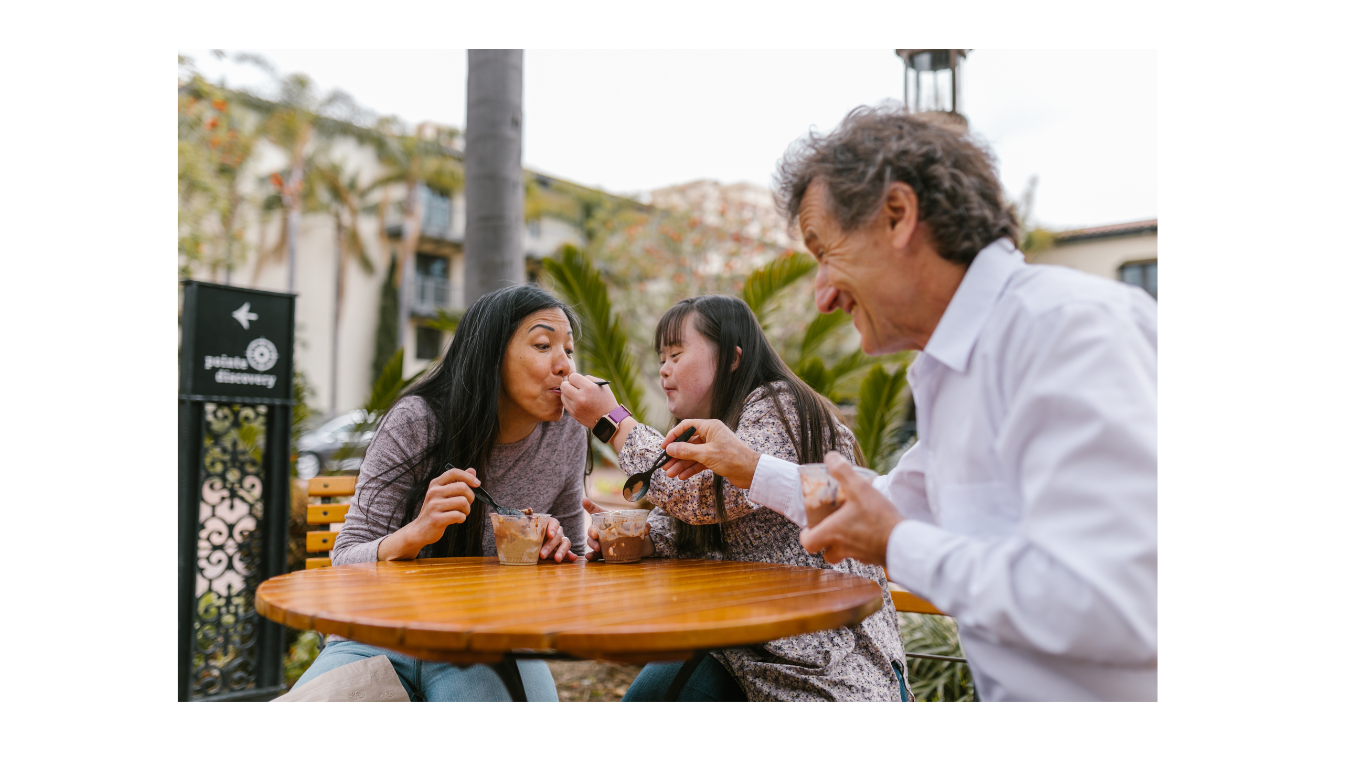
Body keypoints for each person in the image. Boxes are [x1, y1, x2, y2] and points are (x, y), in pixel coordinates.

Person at [656, 105, 1158, 701]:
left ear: (897, 215)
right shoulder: (960, 366)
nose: (822, 296)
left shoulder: (1067, 329)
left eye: (824, 252)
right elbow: (896, 500)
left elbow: (1114, 601)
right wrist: (747, 467)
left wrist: (896, 545)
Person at [559, 295, 908, 702]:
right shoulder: (713, 426)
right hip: (742, 653)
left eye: (676, 354)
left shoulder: (783, 408)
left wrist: (612, 422)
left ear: (731, 358)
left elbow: (707, 496)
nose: (664, 369)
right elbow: (690, 522)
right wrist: (637, 536)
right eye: (661, 358)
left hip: (829, 661)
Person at [293, 284, 586, 702]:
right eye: (543, 345)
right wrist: (415, 534)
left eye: (569, 351)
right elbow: (344, 560)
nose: (565, 366)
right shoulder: (417, 422)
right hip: (377, 633)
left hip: (489, 639)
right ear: (492, 356)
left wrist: (555, 552)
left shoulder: (567, 432)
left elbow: (575, 567)